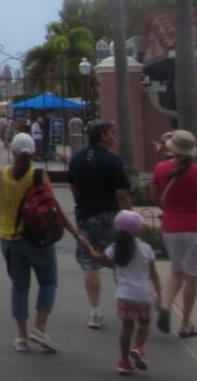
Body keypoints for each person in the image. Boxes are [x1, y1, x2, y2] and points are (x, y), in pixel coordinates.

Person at [0, 133, 87, 353]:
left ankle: (21, 337)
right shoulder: (38, 175)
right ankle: (40, 328)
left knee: (19, 286)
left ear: (12, 152)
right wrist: (76, 234)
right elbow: (54, 207)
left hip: (9, 240)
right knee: (48, 282)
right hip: (37, 239)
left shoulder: (3, 174)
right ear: (34, 152)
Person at [67, 120, 133, 329]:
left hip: (85, 215)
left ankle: (95, 312)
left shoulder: (77, 158)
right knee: (119, 259)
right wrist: (130, 216)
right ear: (103, 136)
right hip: (110, 215)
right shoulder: (113, 161)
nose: (115, 136)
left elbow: (73, 187)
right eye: (112, 132)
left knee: (90, 261)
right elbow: (122, 194)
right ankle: (122, 305)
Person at [152, 130, 197, 338]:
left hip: (170, 227)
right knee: (192, 277)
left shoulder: (161, 168)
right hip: (195, 227)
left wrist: (168, 208)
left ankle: (167, 306)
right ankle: (185, 324)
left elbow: (155, 197)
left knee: (176, 271)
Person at [91, 211, 162, 375]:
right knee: (144, 323)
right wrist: (159, 294)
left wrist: (87, 247)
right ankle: (138, 347)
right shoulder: (146, 249)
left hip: (124, 294)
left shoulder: (115, 248)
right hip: (143, 295)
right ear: (139, 230)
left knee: (127, 327)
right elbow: (153, 274)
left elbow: (98, 258)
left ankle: (124, 361)